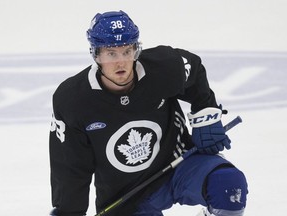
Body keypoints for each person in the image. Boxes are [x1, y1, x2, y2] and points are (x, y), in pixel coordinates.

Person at [49, 10, 248, 216]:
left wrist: (205, 115)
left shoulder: (163, 67)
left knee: (228, 186)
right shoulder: (72, 99)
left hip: (179, 163)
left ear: (136, 49)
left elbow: (194, 70)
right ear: (96, 54)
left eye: (127, 51)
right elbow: (70, 166)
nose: (121, 62)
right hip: (126, 196)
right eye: (111, 53)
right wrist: (68, 211)